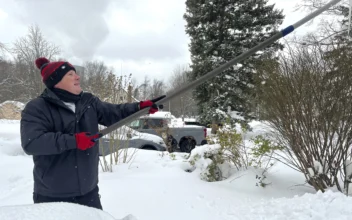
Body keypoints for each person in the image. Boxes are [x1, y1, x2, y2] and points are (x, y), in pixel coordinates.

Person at [20, 57, 163, 210]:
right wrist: (74, 141)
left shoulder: (88, 102)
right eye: (70, 74)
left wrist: (139, 107)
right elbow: (32, 142)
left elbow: (113, 113)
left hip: (88, 193)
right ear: (56, 80)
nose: (77, 77)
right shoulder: (37, 107)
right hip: (52, 196)